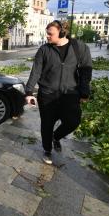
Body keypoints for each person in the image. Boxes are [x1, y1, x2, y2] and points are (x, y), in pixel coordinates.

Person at [25, 20, 92, 165]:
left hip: (70, 94)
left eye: (50, 34)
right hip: (47, 94)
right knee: (47, 124)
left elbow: (86, 70)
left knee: (73, 121)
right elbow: (36, 71)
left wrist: (84, 92)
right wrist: (29, 92)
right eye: (47, 33)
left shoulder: (79, 47)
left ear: (62, 33)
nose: (47, 36)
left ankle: (56, 136)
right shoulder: (44, 50)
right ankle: (47, 149)